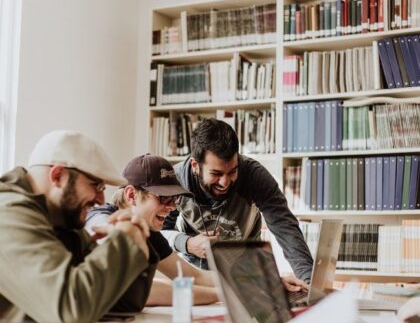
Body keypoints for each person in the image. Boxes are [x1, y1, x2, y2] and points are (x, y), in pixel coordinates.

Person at [0, 130, 156, 323]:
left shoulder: (60, 219)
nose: (101, 200)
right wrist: (124, 240)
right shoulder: (8, 213)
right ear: (58, 176)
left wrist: (136, 237)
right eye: (96, 186)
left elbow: (124, 303)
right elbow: (70, 311)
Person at [162, 118, 313, 289]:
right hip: (197, 275)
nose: (225, 182)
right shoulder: (175, 180)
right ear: (195, 165)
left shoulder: (254, 175)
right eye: (216, 173)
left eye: (232, 171)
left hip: (247, 272)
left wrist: (309, 283)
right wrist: (187, 244)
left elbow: (285, 227)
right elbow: (160, 233)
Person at [85, 154, 218, 306]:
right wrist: (220, 295)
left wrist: (240, 284)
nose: (172, 207)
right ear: (131, 195)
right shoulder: (100, 217)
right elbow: (136, 289)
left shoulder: (148, 231)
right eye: (164, 198)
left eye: (175, 199)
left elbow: (194, 276)